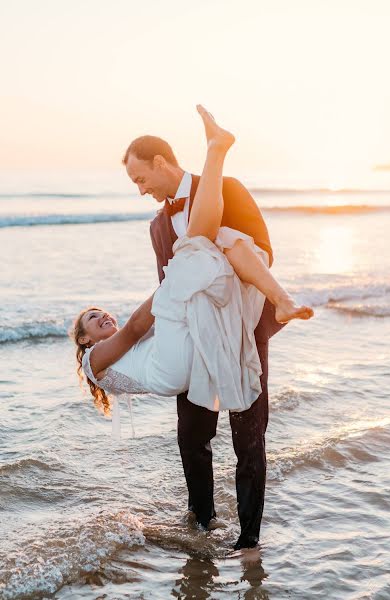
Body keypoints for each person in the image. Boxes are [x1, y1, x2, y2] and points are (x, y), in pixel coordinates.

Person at [74, 106, 313, 549]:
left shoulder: (229, 189)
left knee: (249, 435)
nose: (140, 190)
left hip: (240, 328)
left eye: (140, 179)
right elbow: (168, 286)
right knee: (191, 438)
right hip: (191, 339)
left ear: (160, 162)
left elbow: (262, 254)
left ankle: (249, 540)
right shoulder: (157, 225)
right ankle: (201, 523)